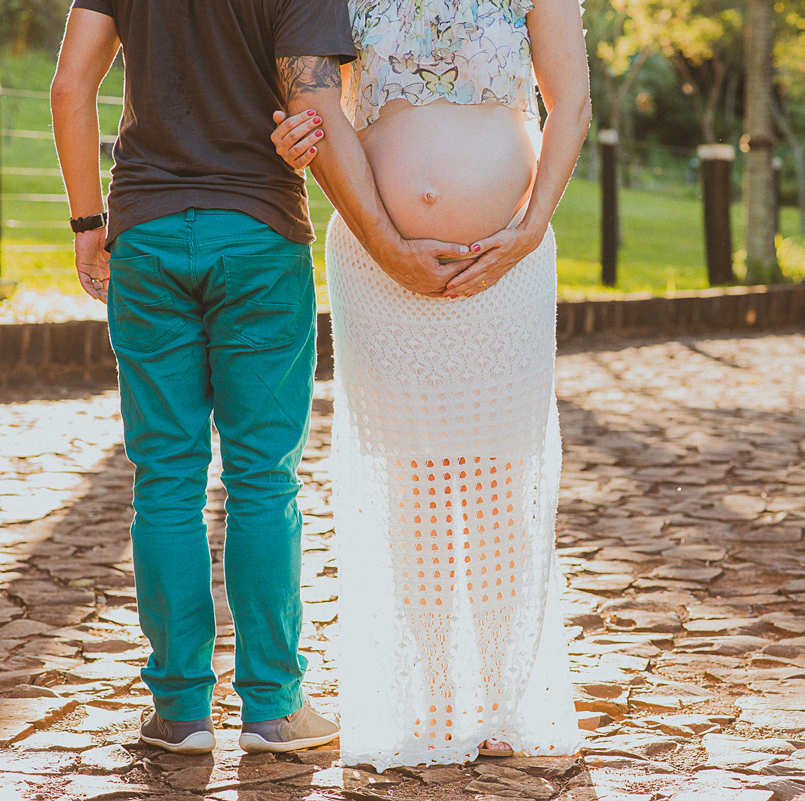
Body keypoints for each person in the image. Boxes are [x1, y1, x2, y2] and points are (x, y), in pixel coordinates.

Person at [51, 0, 470, 754]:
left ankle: (178, 712)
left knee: (165, 477)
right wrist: (387, 237)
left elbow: (69, 85)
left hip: (145, 234)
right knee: (262, 481)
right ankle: (274, 707)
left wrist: (88, 226)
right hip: (259, 236)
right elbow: (314, 104)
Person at [268, 0, 591, 768]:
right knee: (409, 485)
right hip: (378, 272)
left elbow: (570, 102)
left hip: (506, 265)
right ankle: (433, 696)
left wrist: (530, 227)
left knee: (498, 480)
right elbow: (309, 100)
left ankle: (504, 695)